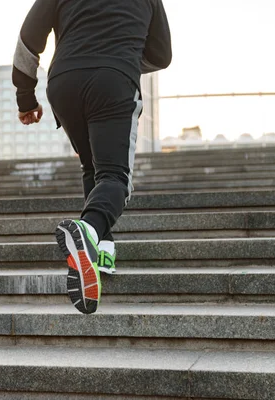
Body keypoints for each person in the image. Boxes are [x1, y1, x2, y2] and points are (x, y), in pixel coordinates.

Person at [13, 0, 172, 315]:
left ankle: (102, 249)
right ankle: (89, 229)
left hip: (64, 83)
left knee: (92, 165)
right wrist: (121, 52)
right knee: (115, 177)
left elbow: (29, 36)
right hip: (113, 80)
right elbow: (161, 55)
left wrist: (25, 96)